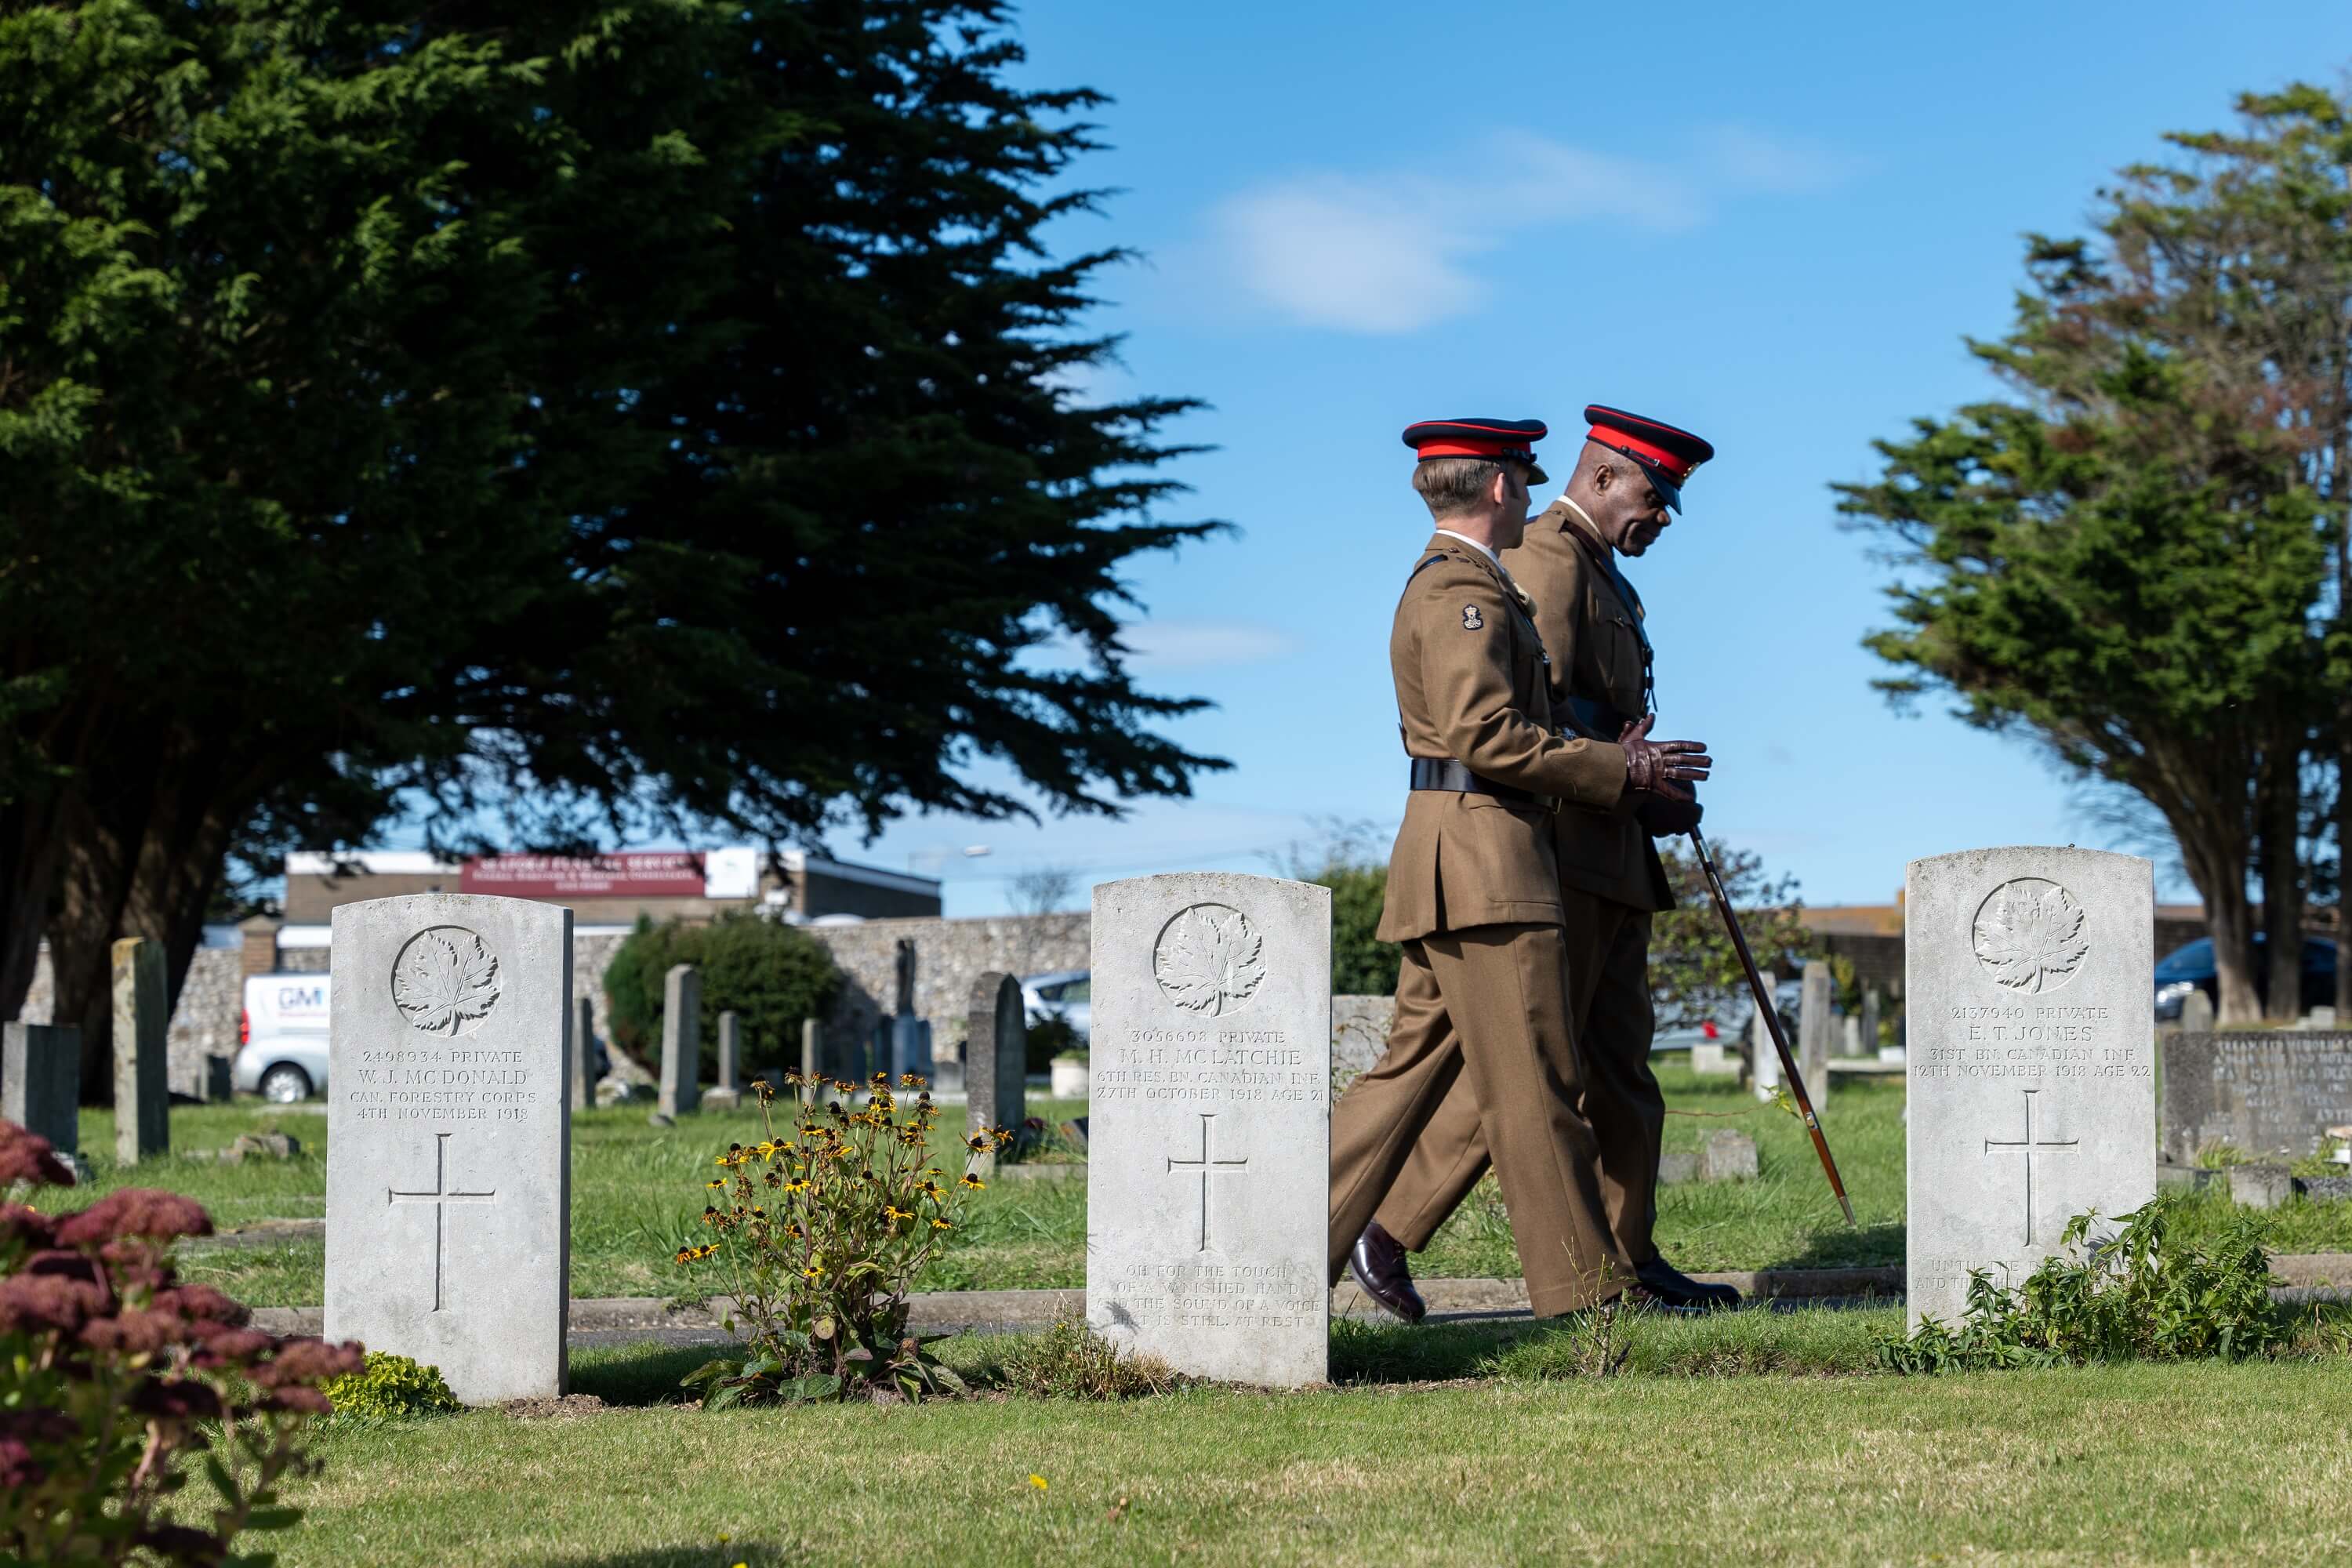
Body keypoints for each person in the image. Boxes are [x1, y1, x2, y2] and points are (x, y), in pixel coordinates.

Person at [1347, 405, 1740, 1319]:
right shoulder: (1543, 560)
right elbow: (1531, 724)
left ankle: (1624, 1254)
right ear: (1601, 478)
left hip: (1607, 849)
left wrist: (1643, 777)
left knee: (1620, 1078)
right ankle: (1392, 1228)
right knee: (1530, 1074)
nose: (1663, 515)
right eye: (1654, 493)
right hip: (1547, 853)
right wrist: (1629, 771)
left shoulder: (1596, 566)